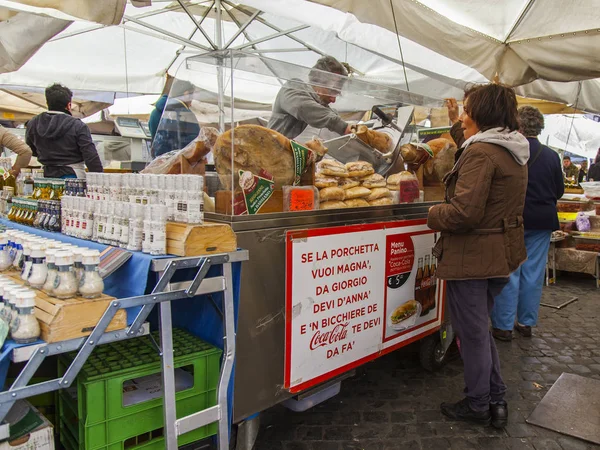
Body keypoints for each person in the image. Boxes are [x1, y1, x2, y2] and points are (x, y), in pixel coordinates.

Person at [429, 84, 529, 429]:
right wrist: (455, 120)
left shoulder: (481, 152)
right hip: (497, 254)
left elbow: (464, 213)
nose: (463, 116)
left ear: (483, 114)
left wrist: (431, 214)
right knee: (480, 332)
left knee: (472, 336)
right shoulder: (510, 148)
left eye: (468, 110)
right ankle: (496, 399)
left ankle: (477, 404)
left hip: (473, 258)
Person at [490, 107, 564, 341]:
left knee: (510, 270)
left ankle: (503, 325)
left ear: (518, 126)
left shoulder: (511, 151)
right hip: (542, 220)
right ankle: (526, 322)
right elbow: (559, 190)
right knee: (533, 273)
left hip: (514, 219)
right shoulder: (552, 156)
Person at [26, 83, 103, 178]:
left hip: (45, 177)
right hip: (73, 176)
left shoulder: (33, 123)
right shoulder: (78, 125)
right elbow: (90, 156)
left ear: (48, 103)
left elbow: (30, 150)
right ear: (69, 105)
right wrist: (100, 178)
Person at [268, 55, 354, 139]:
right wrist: (343, 127)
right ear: (319, 82)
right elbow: (302, 107)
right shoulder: (293, 87)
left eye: (336, 94)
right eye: (332, 91)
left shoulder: (320, 106)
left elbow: (330, 114)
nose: (333, 99)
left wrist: (352, 129)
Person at [150, 80, 200, 158]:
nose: (191, 102)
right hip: (179, 165)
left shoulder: (154, 113)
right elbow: (194, 143)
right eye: (192, 96)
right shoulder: (186, 114)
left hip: (158, 163)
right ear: (186, 94)